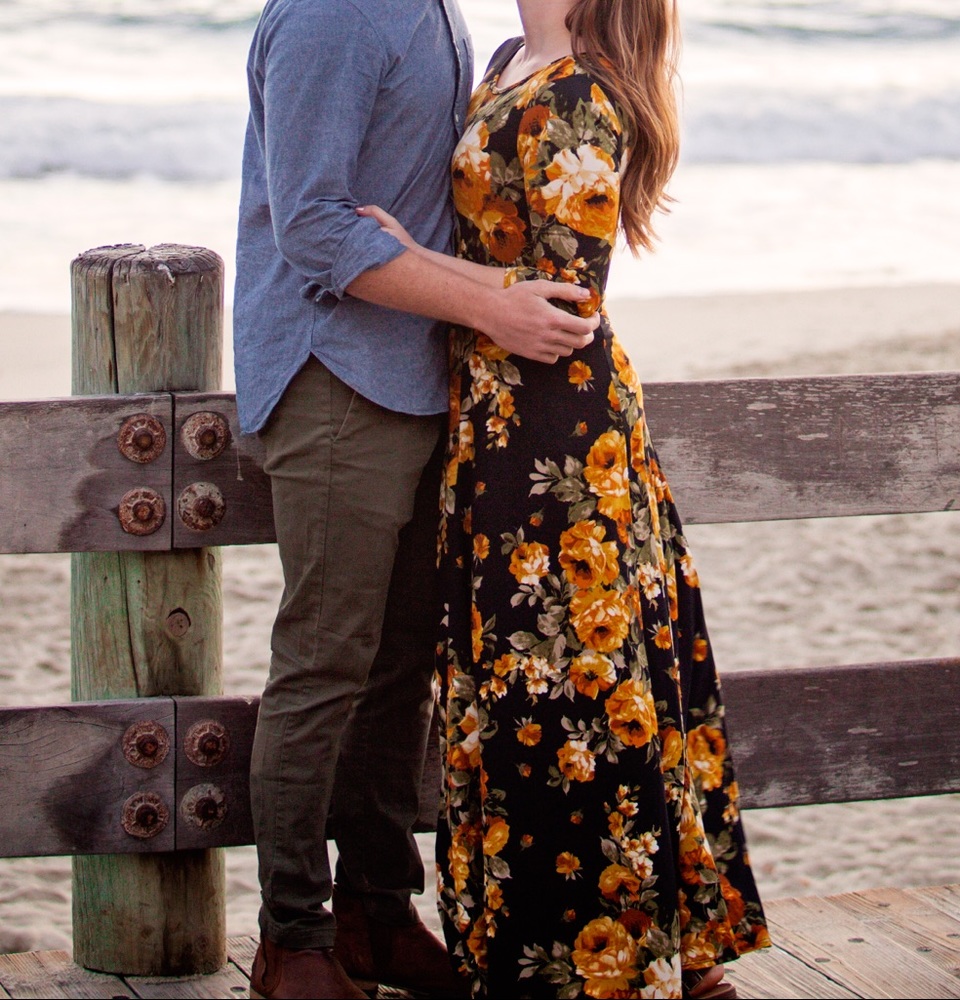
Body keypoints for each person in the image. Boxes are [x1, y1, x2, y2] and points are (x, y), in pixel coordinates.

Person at [359, 1, 772, 997]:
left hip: (555, 436)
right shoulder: (507, 60)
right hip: (490, 422)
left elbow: (559, 307)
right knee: (534, 681)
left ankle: (612, 951)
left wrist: (402, 262)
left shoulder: (582, 92)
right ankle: (563, 944)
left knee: (576, 686)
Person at [233, 2, 601, 998]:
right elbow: (310, 222)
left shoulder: (436, 10)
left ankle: (376, 915)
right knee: (325, 662)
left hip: (416, 377)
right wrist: (489, 302)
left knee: (402, 670)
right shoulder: (338, 11)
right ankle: (292, 941)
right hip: (332, 380)